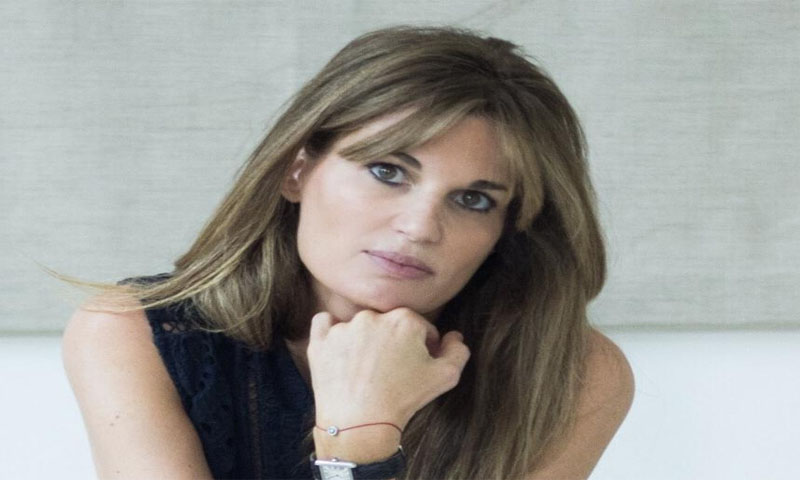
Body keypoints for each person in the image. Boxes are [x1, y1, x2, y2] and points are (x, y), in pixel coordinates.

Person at [62, 25, 634, 480]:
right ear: (296, 169)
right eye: (387, 171)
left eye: (473, 200)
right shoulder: (133, 334)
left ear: (509, 229)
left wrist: (360, 441)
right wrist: (357, 439)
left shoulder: (570, 372)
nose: (419, 227)